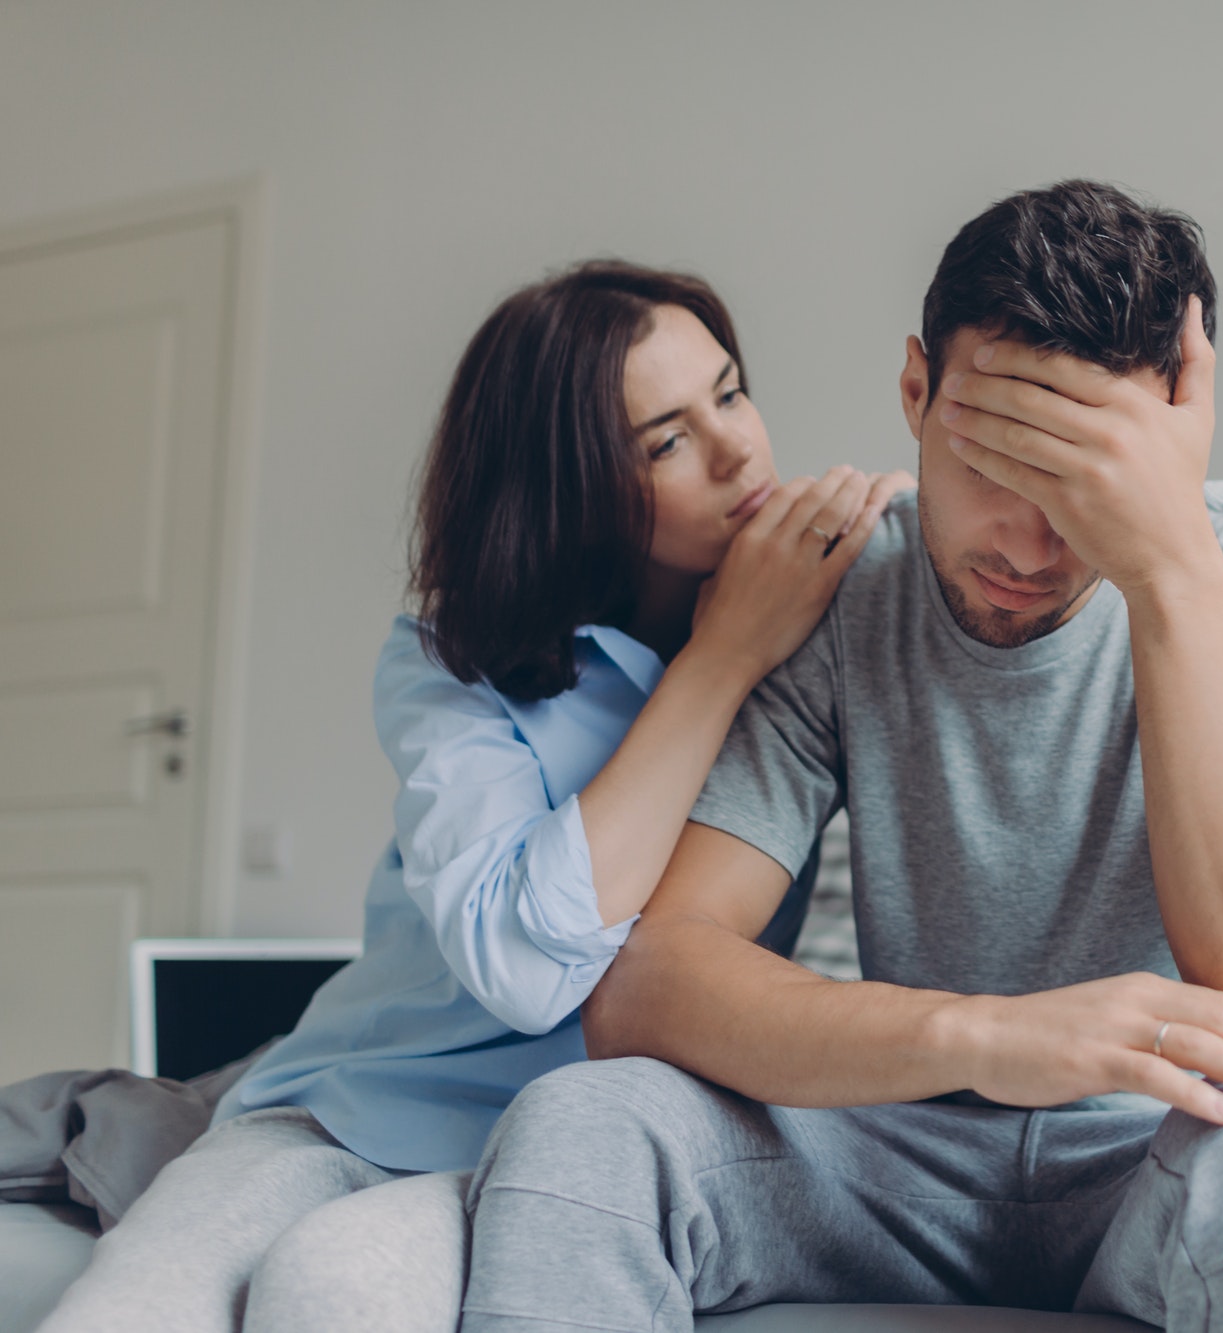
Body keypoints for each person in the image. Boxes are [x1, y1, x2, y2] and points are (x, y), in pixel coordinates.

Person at [457, 182, 1223, 1333]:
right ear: (916, 390)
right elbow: (648, 984)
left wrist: (1167, 565)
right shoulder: (841, 583)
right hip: (891, 1140)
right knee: (581, 1119)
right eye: (991, 470)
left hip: (1163, 1151)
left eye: (1078, 485)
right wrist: (988, 1036)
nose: (1027, 544)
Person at [38, 261, 908, 1333]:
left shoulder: (826, 627)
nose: (739, 448)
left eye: (730, 392)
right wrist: (721, 658)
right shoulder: (453, 660)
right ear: (573, 484)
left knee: (335, 1289)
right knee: (126, 1314)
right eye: (668, 439)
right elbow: (526, 967)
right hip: (347, 1107)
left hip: (579, 1141)